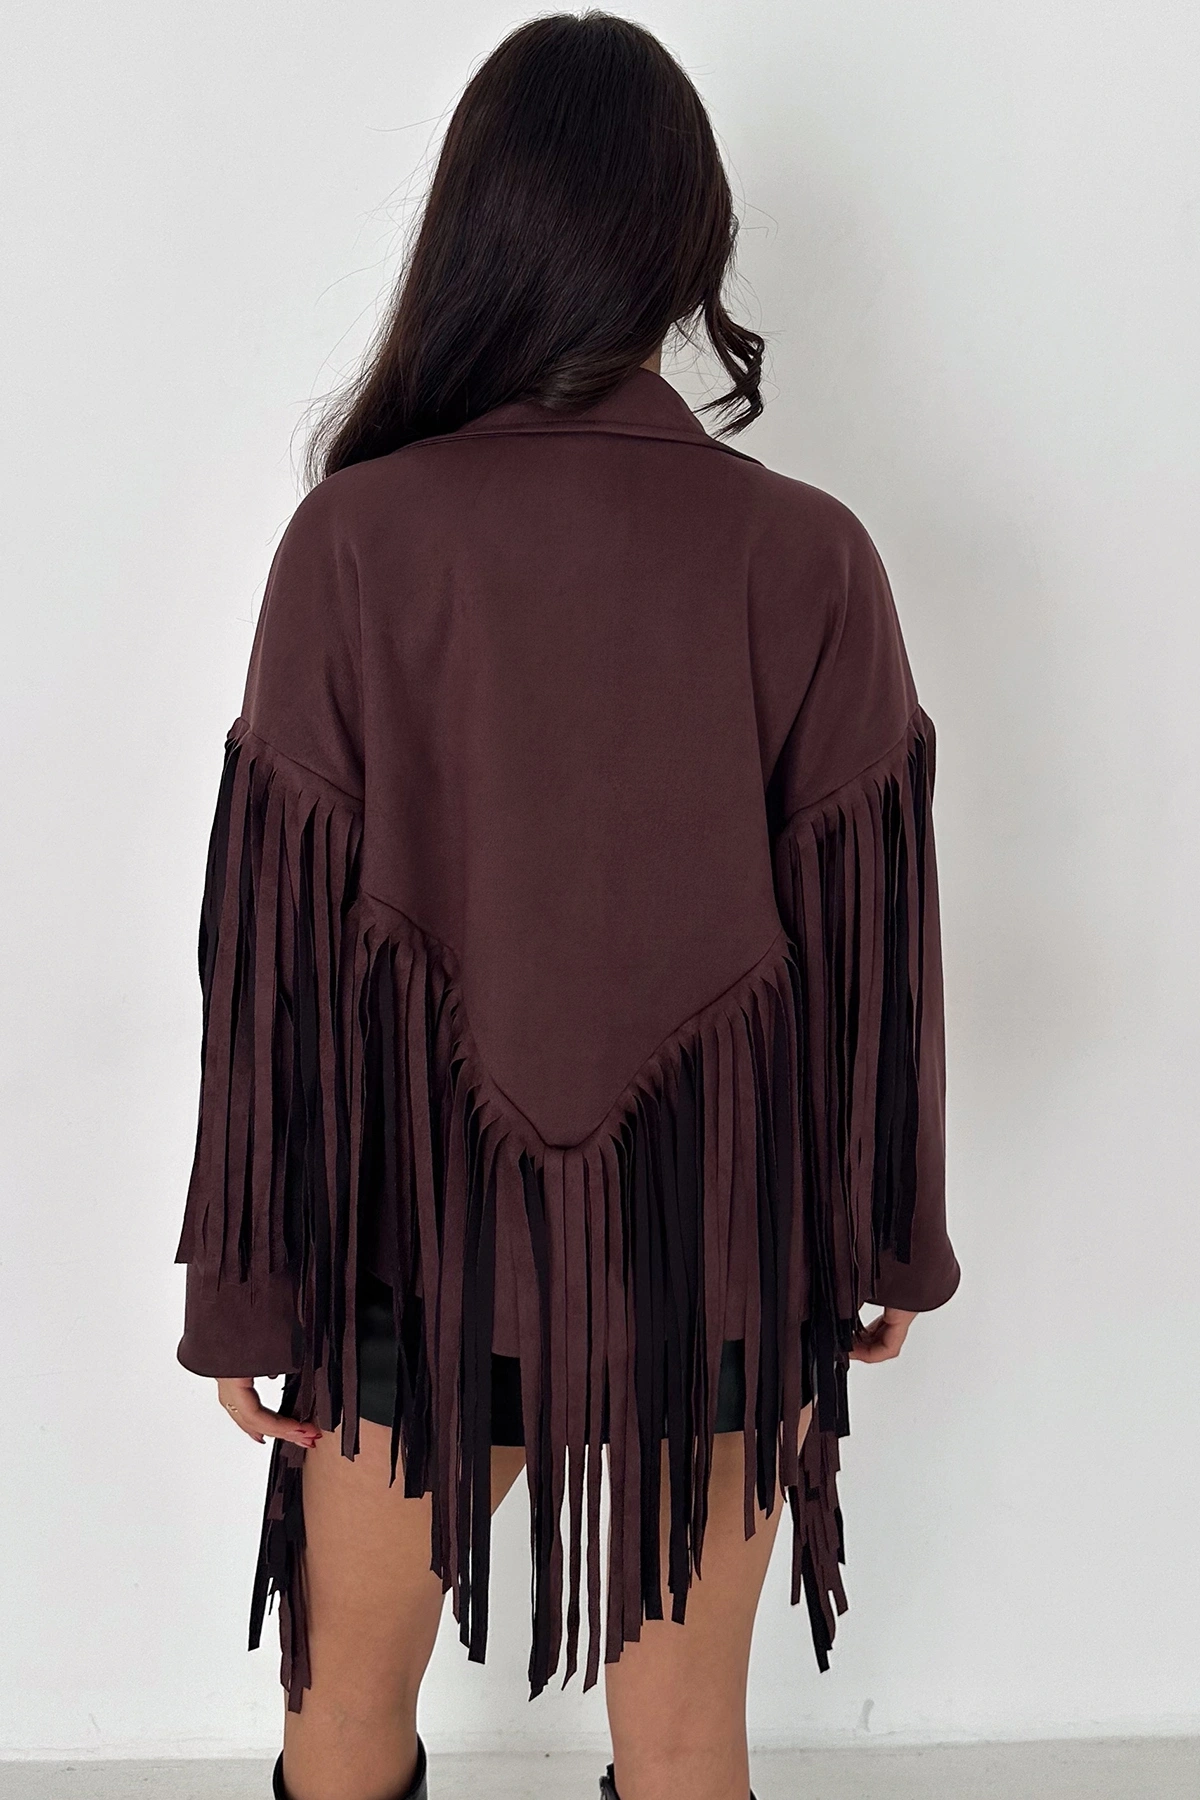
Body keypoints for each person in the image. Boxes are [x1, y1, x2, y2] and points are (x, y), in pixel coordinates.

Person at [172, 13, 960, 1800]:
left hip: (412, 1266)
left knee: (339, 1735)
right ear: (689, 246)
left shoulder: (353, 545)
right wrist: (883, 1238)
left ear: (474, 227)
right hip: (714, 1266)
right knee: (689, 1760)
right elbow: (872, 947)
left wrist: (248, 1289)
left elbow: (274, 955)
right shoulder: (810, 555)